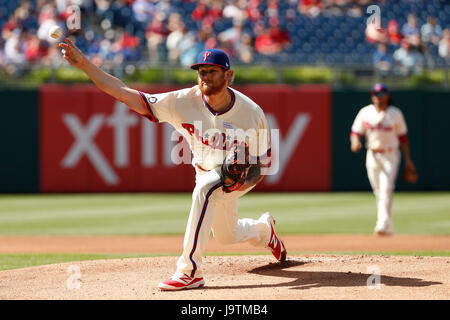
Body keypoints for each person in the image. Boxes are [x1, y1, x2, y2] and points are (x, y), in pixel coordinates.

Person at [58, 39, 287, 290]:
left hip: (239, 177)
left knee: (205, 190)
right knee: (226, 235)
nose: (205, 77)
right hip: (204, 171)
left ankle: (189, 271)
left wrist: (242, 180)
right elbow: (124, 93)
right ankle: (265, 230)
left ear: (228, 75)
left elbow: (263, 163)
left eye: (212, 71)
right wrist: (85, 66)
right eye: (202, 72)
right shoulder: (181, 101)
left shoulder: (250, 112)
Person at [350, 83, 416, 236]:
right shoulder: (365, 112)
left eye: (380, 94)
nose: (377, 97)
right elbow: (355, 131)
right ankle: (389, 226)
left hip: (390, 155)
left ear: (387, 96)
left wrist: (408, 160)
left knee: (386, 188)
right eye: (374, 94)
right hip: (372, 154)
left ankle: (381, 224)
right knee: (378, 191)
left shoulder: (395, 113)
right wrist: (355, 142)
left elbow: (403, 138)